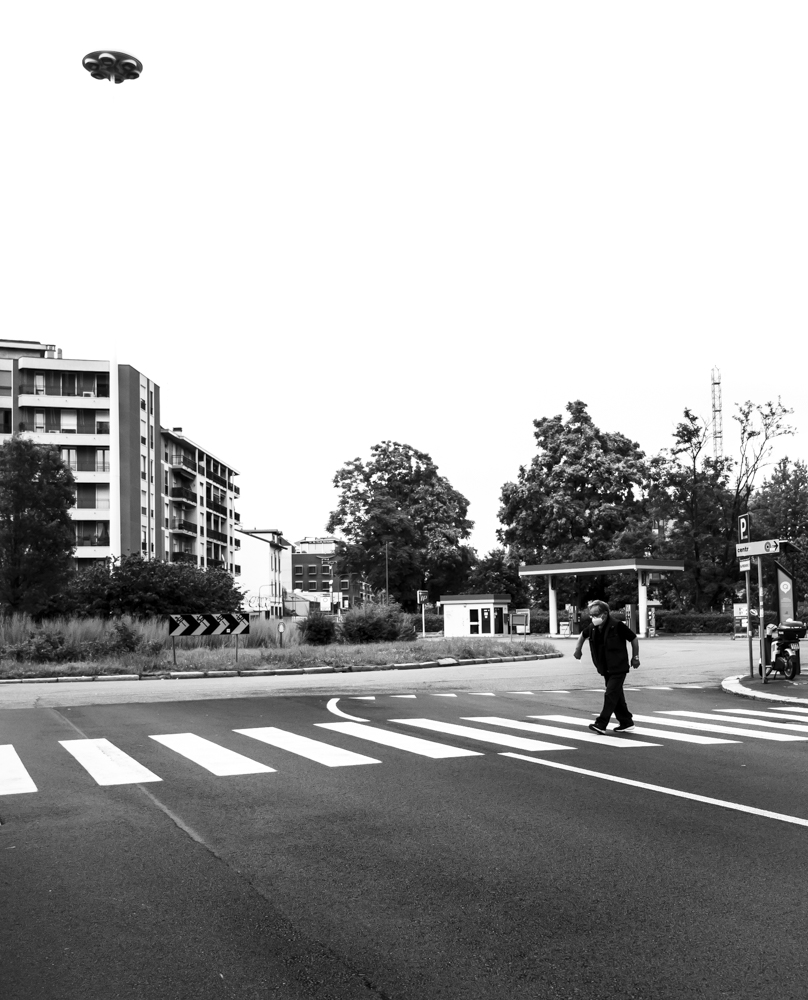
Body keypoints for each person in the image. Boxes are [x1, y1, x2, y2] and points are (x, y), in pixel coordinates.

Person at [572, 600, 640, 734]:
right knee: (616, 695)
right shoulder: (592, 627)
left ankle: (601, 723)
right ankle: (626, 722)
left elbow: (633, 638)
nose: (593, 618)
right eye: (591, 615)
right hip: (605, 668)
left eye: (596, 614)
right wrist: (578, 650)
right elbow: (582, 635)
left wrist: (635, 657)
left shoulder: (617, 625)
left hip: (618, 667)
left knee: (610, 694)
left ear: (605, 613)